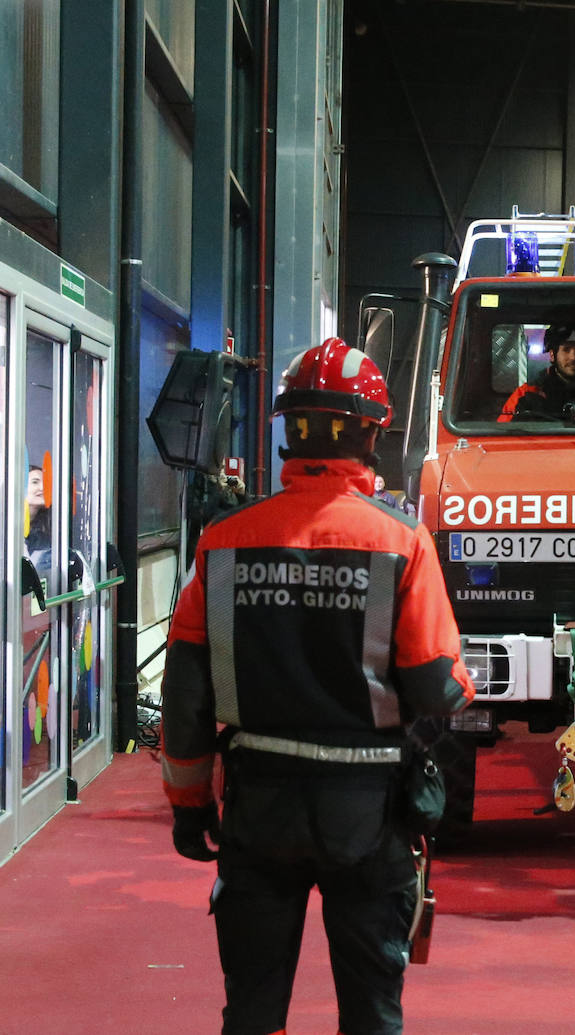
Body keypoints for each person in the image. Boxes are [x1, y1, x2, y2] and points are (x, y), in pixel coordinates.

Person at [160, 338, 476, 1035]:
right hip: (368, 817)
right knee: (370, 1011)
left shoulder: (224, 539)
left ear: (289, 428)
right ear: (371, 431)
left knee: (252, 1007)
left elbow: (185, 692)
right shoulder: (401, 541)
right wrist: (463, 680)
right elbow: (433, 688)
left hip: (258, 808)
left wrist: (188, 805)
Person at [499, 322, 575, 421]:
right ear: (552, 355)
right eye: (566, 350)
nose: (573, 357)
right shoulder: (526, 394)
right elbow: (502, 437)